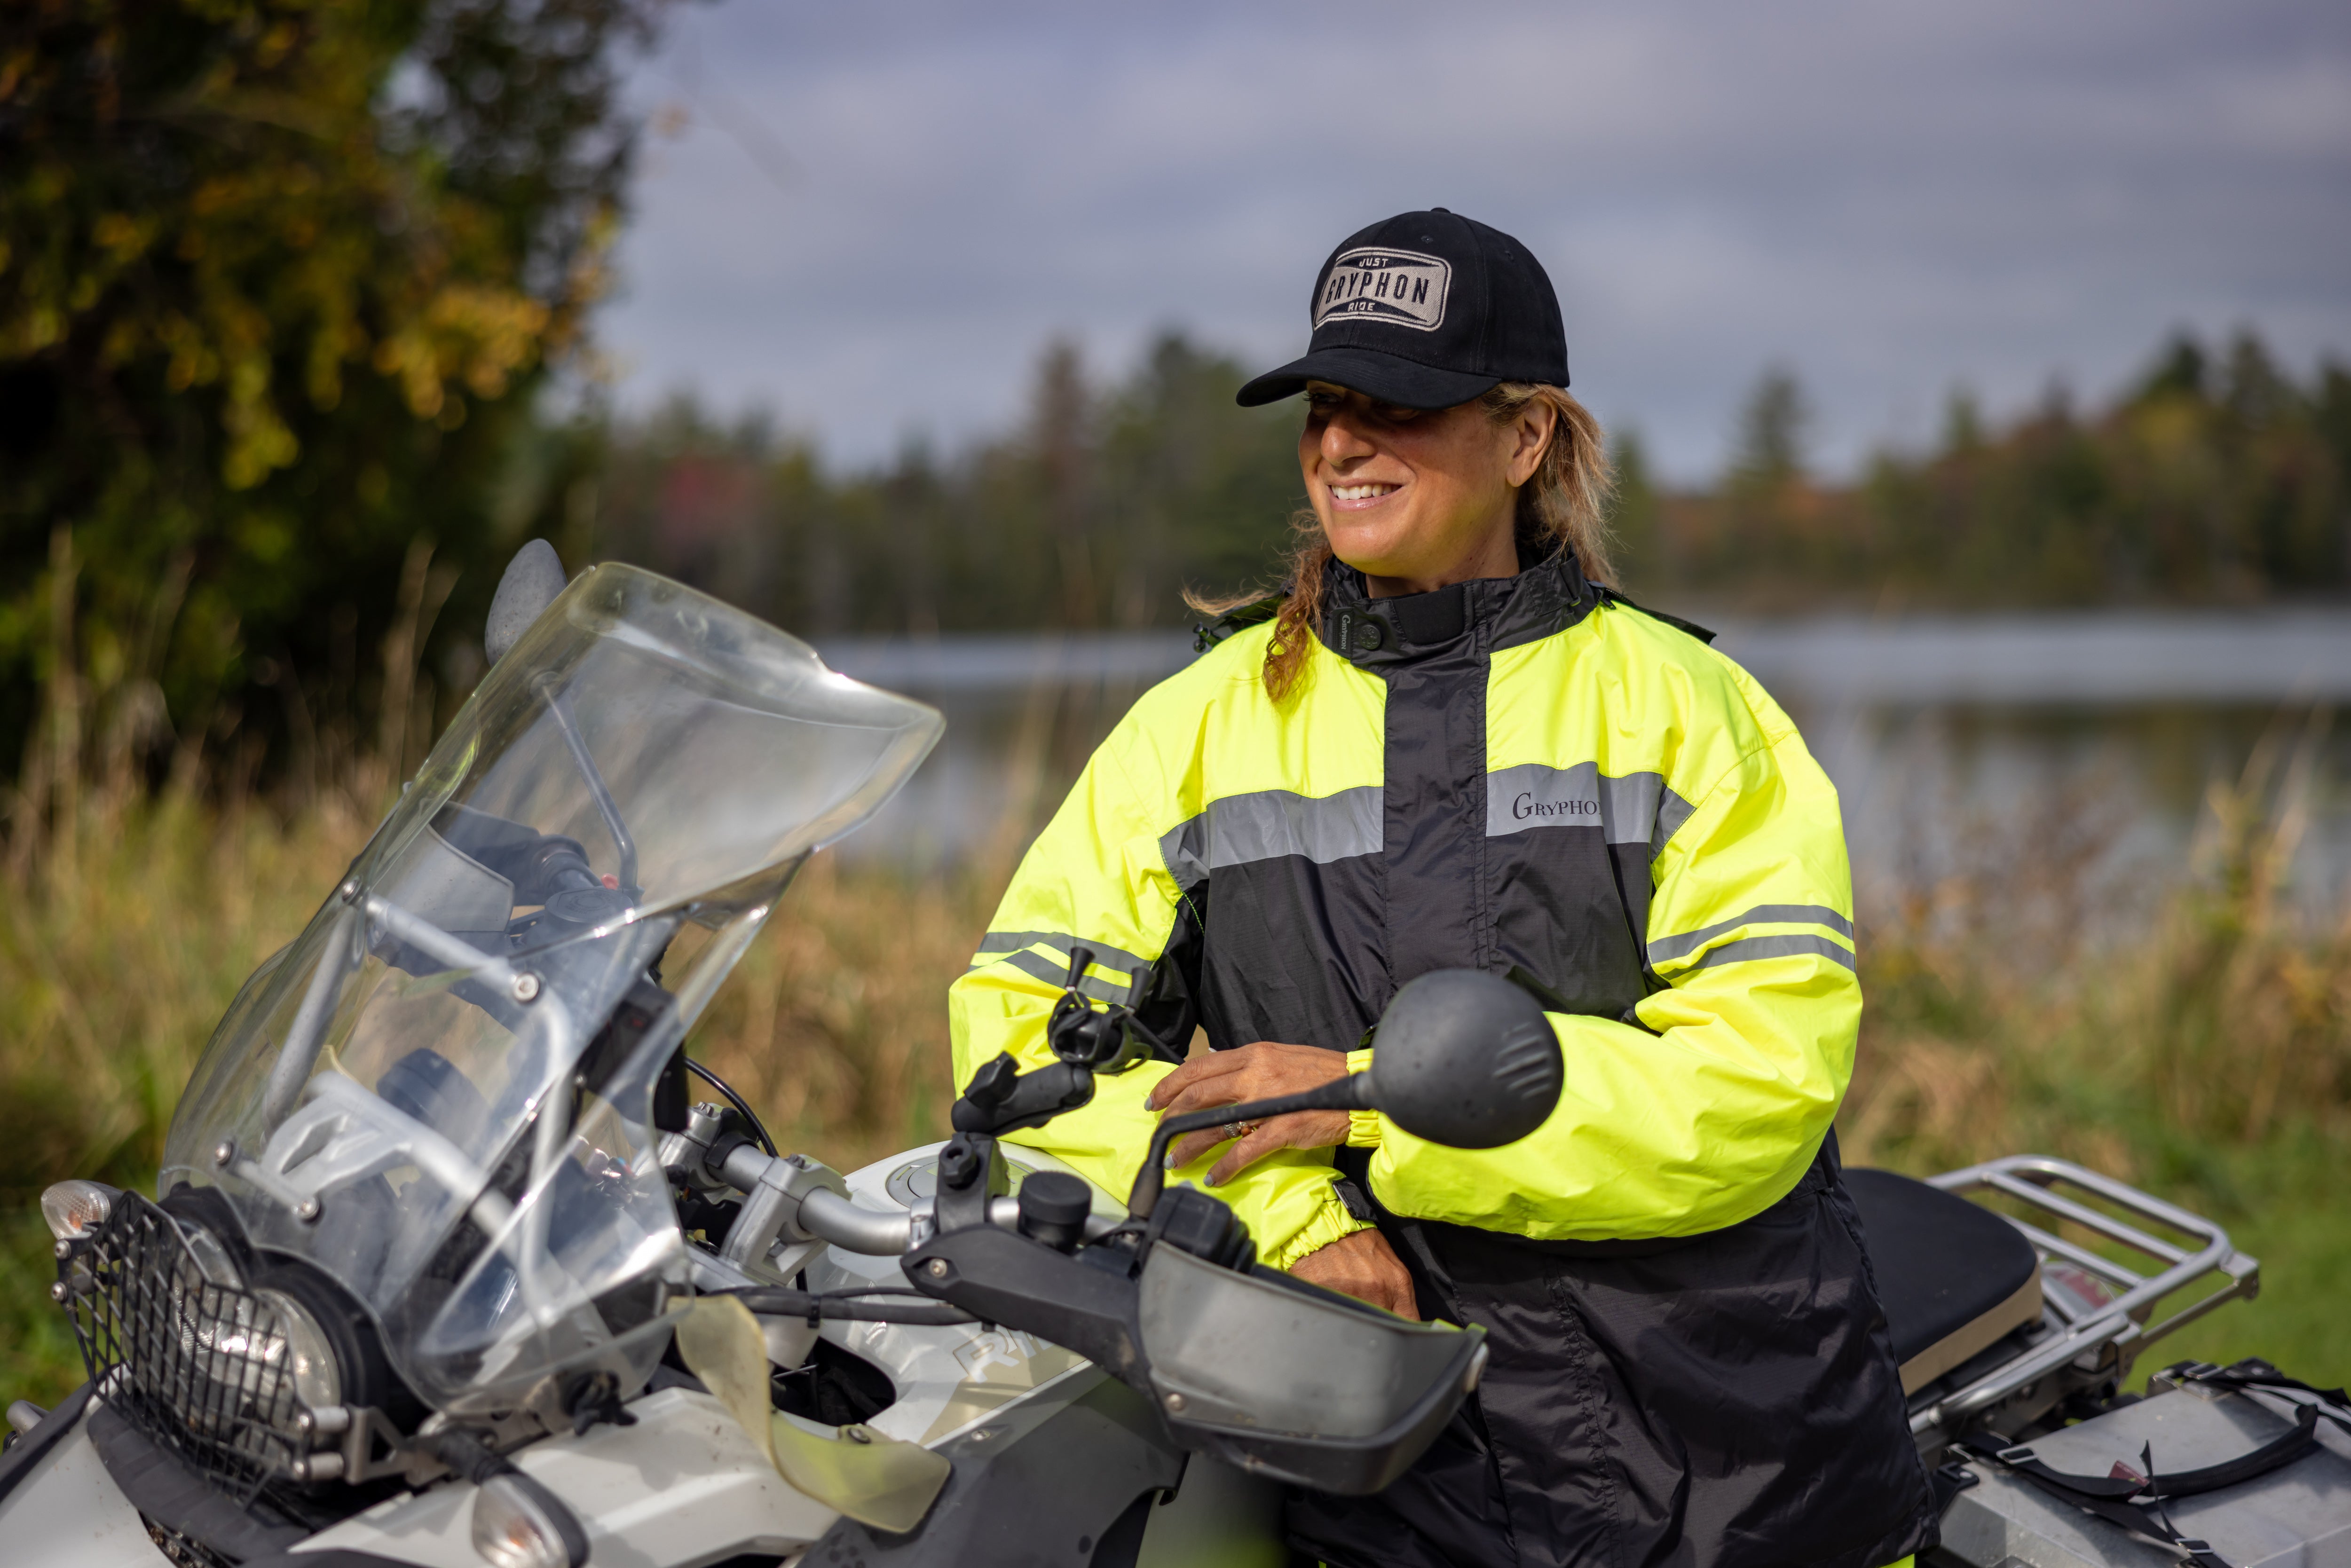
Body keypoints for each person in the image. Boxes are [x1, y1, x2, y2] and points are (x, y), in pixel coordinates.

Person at [947, 209, 1935, 1568]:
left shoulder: (1695, 713)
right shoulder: (1195, 728)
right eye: (1325, 410)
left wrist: (1365, 1101)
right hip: (1378, 1478)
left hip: (1740, 1473)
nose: (1343, 445)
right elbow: (1018, 1053)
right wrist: (1284, 1217)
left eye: (1396, 408)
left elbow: (1759, 1084)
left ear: (1525, 440)